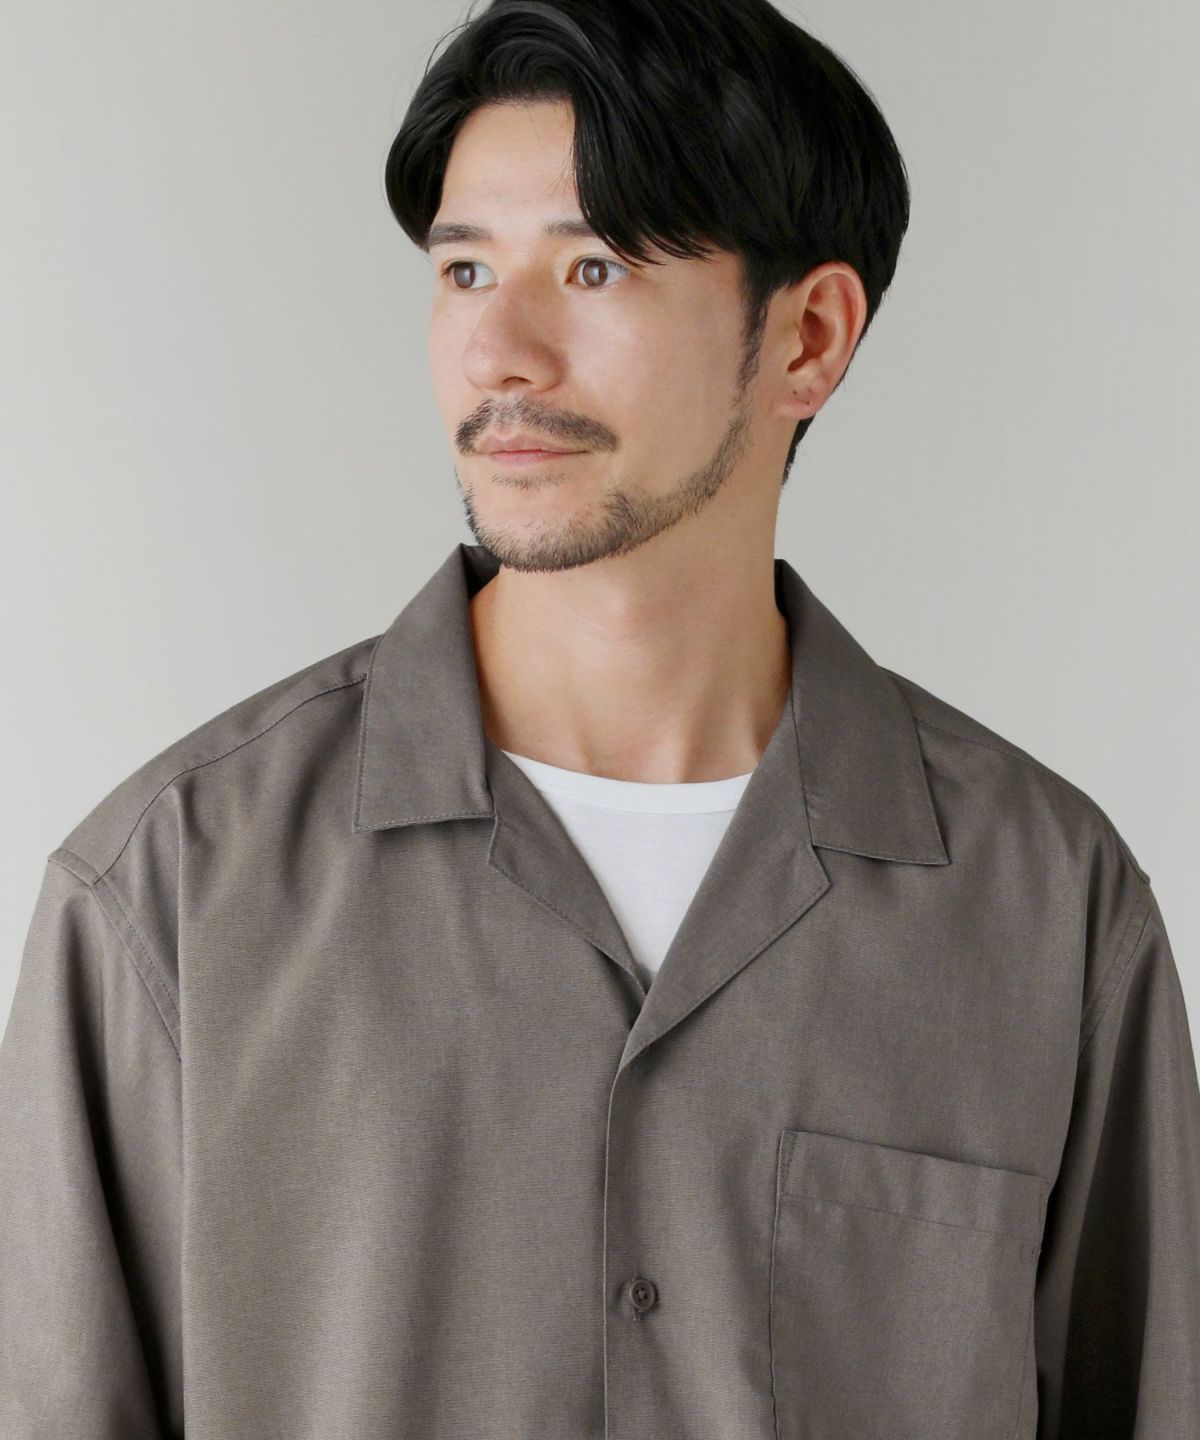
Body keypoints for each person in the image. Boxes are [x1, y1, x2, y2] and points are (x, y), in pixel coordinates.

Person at [2, 0, 1197, 1435]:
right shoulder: (170, 898)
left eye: (594, 266)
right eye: (463, 270)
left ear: (810, 336)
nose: (499, 352)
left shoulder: (1049, 910)